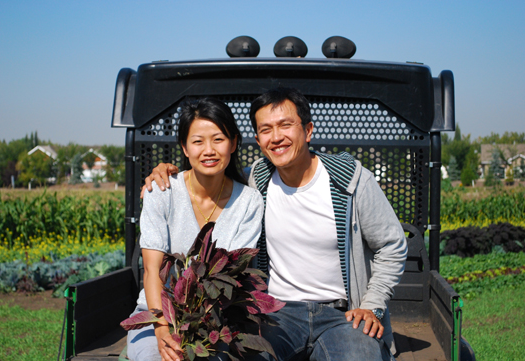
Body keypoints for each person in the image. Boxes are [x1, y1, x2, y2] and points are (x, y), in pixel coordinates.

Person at [144, 88, 408, 361]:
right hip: (275, 315)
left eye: (285, 125)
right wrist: (165, 171)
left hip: (343, 316)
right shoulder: (256, 181)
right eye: (266, 129)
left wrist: (373, 305)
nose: (277, 137)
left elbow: (392, 245)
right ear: (257, 140)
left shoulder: (350, 181)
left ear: (307, 130)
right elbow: (211, 171)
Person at [127, 98, 264, 361]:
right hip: (156, 317)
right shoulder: (162, 192)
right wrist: (163, 331)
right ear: (185, 148)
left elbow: (229, 277)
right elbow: (152, 270)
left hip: (215, 324)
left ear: (234, 143)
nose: (209, 150)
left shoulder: (249, 202)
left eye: (218, 139)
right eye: (198, 141)